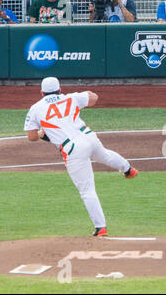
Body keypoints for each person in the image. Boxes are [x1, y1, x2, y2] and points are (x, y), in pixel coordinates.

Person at [24, 77, 138, 237]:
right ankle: (128, 169)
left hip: (72, 149)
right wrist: (80, 95)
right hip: (89, 137)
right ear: (59, 89)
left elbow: (31, 137)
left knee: (87, 190)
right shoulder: (70, 97)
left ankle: (101, 227)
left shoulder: (35, 108)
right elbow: (94, 98)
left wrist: (43, 133)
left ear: (41, 92)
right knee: (104, 154)